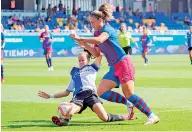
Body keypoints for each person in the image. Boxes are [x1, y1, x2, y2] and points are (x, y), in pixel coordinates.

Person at [70, 3, 159, 125]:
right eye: (90, 22)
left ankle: (152, 115)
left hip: (123, 64)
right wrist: (84, 44)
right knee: (101, 91)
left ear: (100, 20)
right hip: (114, 67)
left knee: (129, 94)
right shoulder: (96, 33)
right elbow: (96, 53)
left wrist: (83, 39)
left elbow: (101, 40)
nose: (92, 25)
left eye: (93, 22)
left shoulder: (107, 29)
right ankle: (128, 103)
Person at [38, 51, 130, 126]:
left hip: (91, 95)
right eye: (79, 60)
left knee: (104, 117)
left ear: (88, 60)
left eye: (83, 60)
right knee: (71, 108)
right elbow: (66, 92)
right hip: (79, 96)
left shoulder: (92, 68)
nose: (81, 62)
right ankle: (64, 120)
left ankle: (124, 117)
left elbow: (99, 56)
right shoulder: (74, 72)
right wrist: (50, 96)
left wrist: (88, 47)